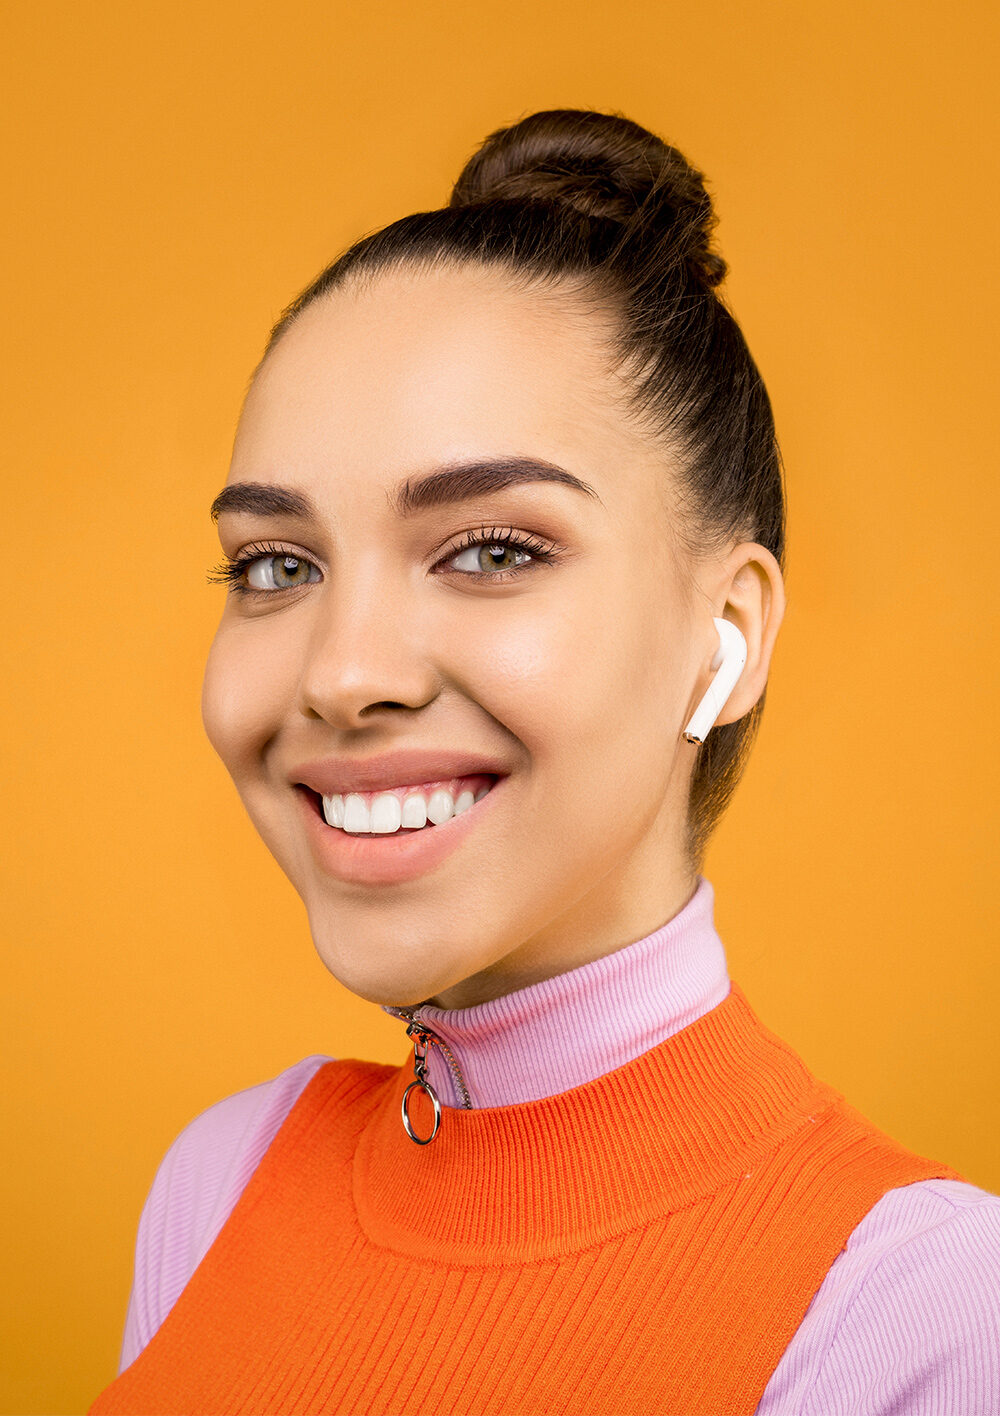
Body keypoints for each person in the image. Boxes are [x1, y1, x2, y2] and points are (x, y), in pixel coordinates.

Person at [88, 108, 1000, 1415]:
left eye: (493, 550)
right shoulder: (218, 1182)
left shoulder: (931, 1316)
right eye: (276, 566)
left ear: (725, 634)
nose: (343, 674)